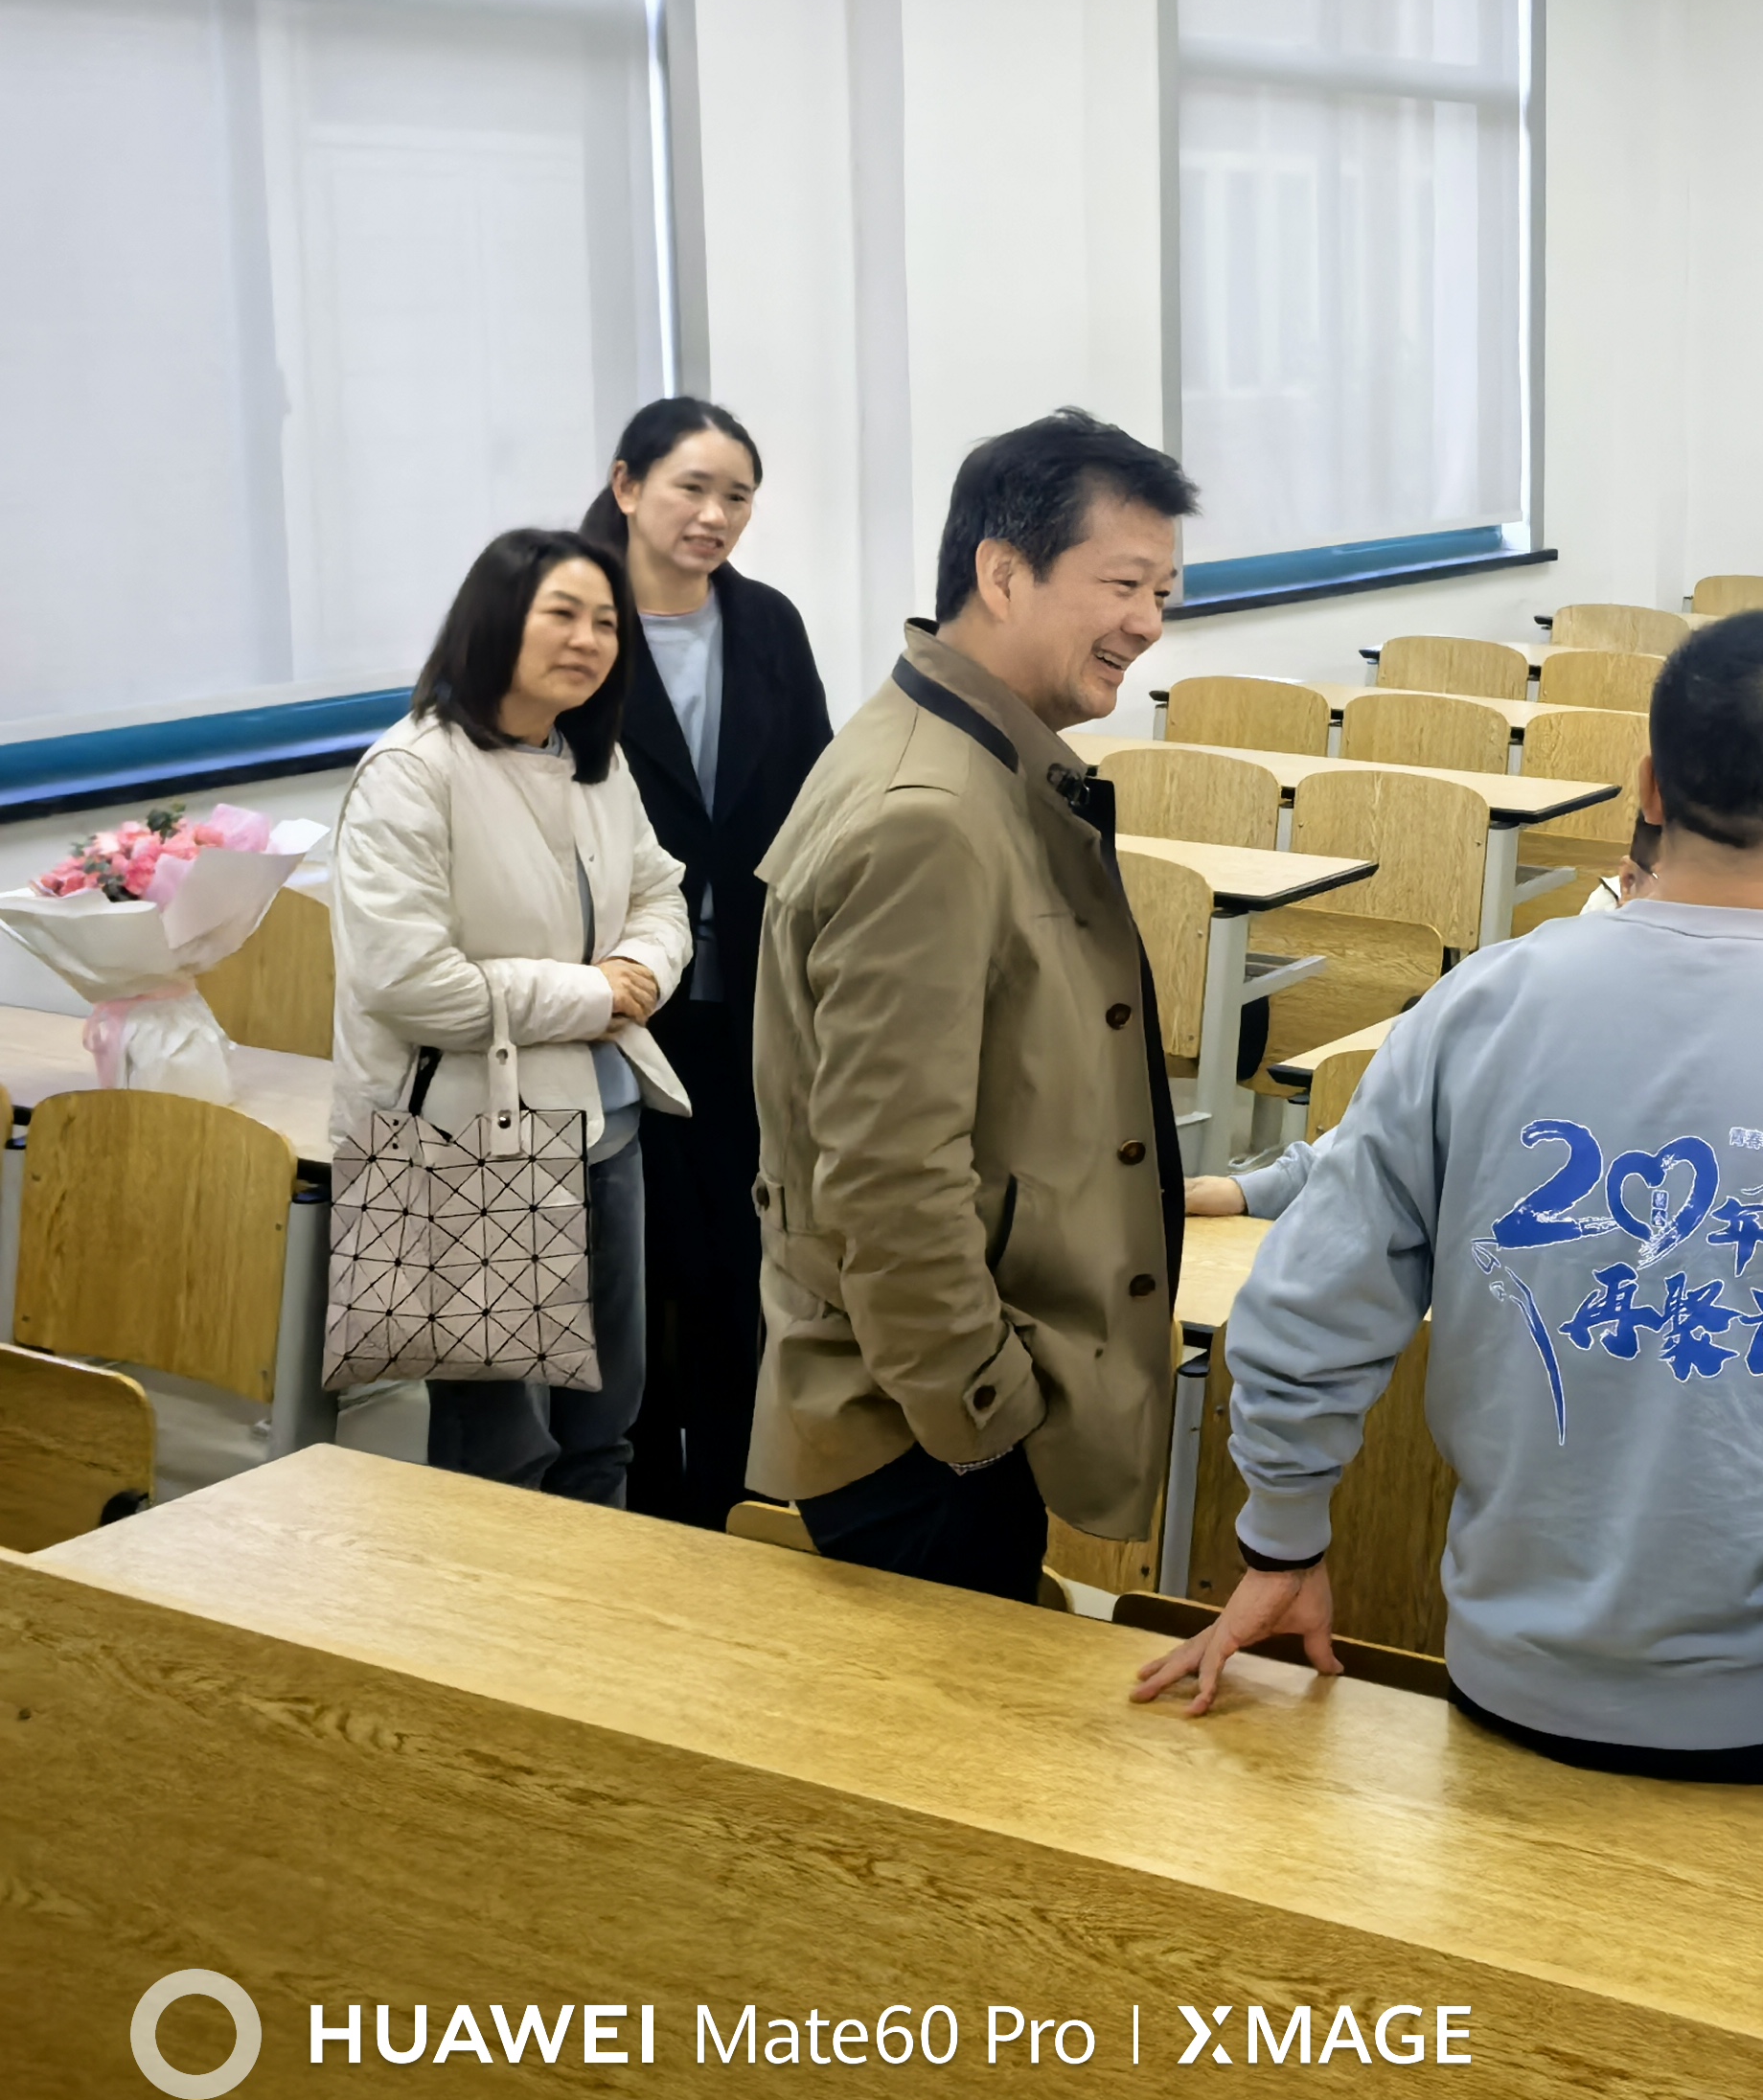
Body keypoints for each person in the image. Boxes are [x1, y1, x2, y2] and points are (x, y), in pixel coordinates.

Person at [1133, 609, 1763, 1805]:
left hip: (1506, 1668)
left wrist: (1283, 1534)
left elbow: (1309, 1297)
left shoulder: (1478, 1007)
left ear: (1648, 786)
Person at [744, 409, 1201, 1604]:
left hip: (925, 1405)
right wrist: (984, 1413)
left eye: (1163, 593)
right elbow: (888, 1176)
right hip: (921, 1432)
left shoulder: (961, 757)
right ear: (1003, 574)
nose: (1148, 624)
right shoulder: (932, 815)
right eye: (1123, 585)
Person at [330, 527, 692, 1504]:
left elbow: (660, 894)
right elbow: (410, 984)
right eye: (562, 614)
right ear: (495, 622)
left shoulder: (593, 760)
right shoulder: (412, 770)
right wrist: (594, 994)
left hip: (607, 1120)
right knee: (501, 1455)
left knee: (605, 1431)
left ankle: (593, 1601)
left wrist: (642, 969)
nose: (588, 640)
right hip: (466, 1137)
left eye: (606, 623)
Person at [579, 396, 833, 1533]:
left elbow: (817, 793)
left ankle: (740, 1504)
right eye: (692, 487)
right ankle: (636, 1514)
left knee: (745, 1264)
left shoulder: (767, 622)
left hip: (753, 1004)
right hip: (618, 1000)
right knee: (630, 1280)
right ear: (628, 485)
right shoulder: (573, 620)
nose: (715, 514)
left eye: (738, 496)